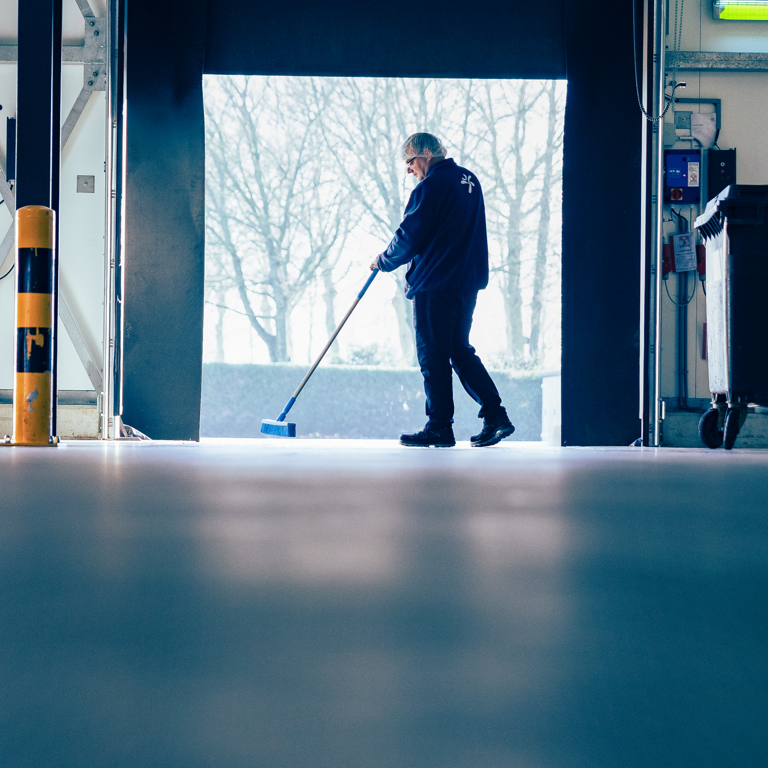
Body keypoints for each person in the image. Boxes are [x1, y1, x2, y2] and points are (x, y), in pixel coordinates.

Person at [371, 132, 515, 448]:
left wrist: (383, 260)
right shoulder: (469, 180)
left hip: (435, 283)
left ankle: (439, 427)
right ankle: (496, 416)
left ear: (424, 154)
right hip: (466, 280)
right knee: (458, 350)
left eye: (409, 162)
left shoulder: (430, 186)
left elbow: (409, 236)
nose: (409, 169)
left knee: (433, 355)